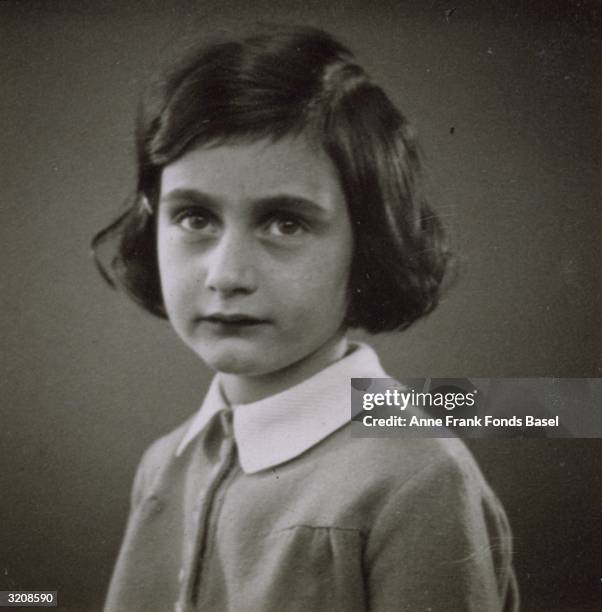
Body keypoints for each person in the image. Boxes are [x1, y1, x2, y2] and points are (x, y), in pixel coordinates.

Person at [94, 24, 519, 612]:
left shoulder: (417, 478)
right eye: (194, 218)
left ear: (366, 246)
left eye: (284, 223)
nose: (226, 274)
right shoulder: (164, 465)